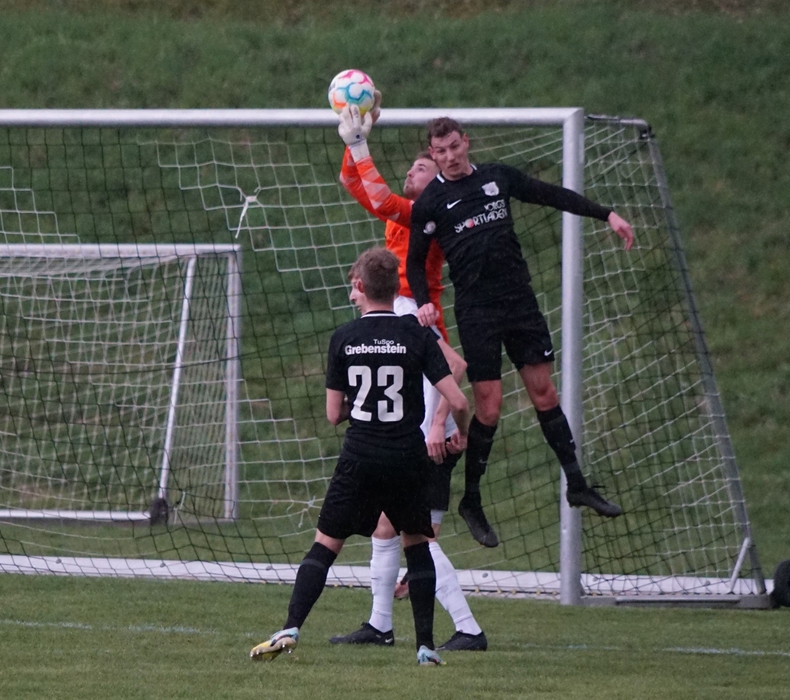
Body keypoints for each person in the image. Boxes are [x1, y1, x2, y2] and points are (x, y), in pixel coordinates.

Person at [406, 117, 634, 548]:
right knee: (489, 406)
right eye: (441, 151)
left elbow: (550, 194)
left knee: (544, 393)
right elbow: (415, 262)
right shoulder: (430, 202)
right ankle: (472, 501)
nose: (450, 156)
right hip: (477, 311)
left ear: (466, 142)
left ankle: (577, 484)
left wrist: (607, 214)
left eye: (455, 146)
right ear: (433, 153)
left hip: (520, 303)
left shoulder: (497, 177)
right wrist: (423, 302)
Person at [250, 246, 470, 667]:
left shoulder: (344, 338)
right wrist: (460, 430)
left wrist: (364, 406)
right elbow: (458, 399)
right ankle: (425, 646)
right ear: (395, 288)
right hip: (406, 456)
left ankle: (291, 627)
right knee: (416, 545)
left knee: (325, 545)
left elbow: (334, 414)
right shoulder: (416, 334)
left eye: (353, 288)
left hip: (360, 454)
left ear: (359, 286)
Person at [329, 98, 488, 652]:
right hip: (402, 347)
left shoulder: (426, 217)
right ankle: (380, 625)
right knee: (386, 525)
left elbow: (455, 366)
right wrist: (352, 143)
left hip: (419, 383)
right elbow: (358, 187)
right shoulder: (402, 227)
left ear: (438, 180)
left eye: (421, 167)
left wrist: (358, 142)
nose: (411, 173)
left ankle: (467, 628)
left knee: (411, 529)